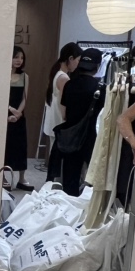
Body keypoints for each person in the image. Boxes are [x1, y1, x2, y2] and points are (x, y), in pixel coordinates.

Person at [59, 47, 104, 196]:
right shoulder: (100, 88)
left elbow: (64, 114)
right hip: (92, 137)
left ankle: (68, 203)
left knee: (69, 178)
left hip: (71, 135)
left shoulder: (69, 84)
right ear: (98, 66)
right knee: (92, 179)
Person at [43, 42, 81, 182]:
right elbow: (64, 103)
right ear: (70, 59)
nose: (78, 64)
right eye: (77, 60)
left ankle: (53, 184)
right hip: (59, 121)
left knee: (55, 158)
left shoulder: (56, 73)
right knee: (59, 160)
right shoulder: (64, 78)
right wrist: (67, 119)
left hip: (53, 121)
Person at [3, 45, 32, 191]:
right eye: (16, 57)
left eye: (21, 58)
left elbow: (24, 98)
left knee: (20, 147)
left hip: (19, 117)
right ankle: (3, 177)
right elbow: (0, 96)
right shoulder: (2, 74)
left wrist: (18, 113)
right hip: (3, 115)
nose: (19, 60)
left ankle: (21, 179)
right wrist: (10, 110)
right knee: (4, 147)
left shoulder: (25, 77)